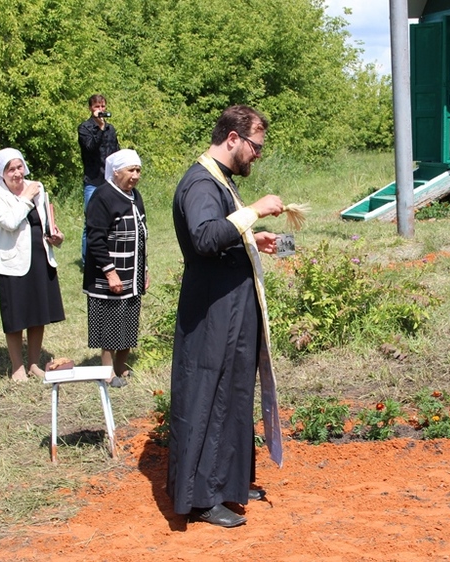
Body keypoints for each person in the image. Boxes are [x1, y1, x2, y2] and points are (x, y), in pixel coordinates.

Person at [166, 105, 286, 528]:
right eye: (255, 146)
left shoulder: (221, 181)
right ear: (232, 138)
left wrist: (251, 238)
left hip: (231, 307)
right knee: (208, 397)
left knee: (232, 394)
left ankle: (228, 481)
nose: (257, 154)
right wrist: (254, 210)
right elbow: (202, 237)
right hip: (212, 313)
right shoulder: (200, 182)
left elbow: (222, 235)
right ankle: (202, 496)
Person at [0, 148, 65, 382]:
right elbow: (9, 222)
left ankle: (33, 363)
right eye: (11, 169)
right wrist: (26, 198)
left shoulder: (37, 188)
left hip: (40, 256)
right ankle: (17, 367)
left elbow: (46, 222)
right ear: (1, 173)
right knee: (16, 316)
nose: (18, 173)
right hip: (14, 261)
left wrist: (56, 237)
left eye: (20, 167)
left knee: (38, 313)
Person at [83, 149, 149, 389]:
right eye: (131, 170)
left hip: (133, 269)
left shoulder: (134, 195)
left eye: (138, 170)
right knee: (110, 320)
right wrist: (110, 272)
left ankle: (122, 367)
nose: (135, 176)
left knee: (129, 318)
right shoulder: (102, 196)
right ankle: (107, 371)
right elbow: (96, 237)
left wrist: (145, 269)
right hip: (109, 272)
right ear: (116, 171)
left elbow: (142, 236)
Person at [77, 94, 120, 262]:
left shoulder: (111, 129)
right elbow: (90, 148)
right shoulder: (85, 128)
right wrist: (100, 129)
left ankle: (107, 256)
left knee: (111, 220)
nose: (100, 110)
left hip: (110, 181)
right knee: (91, 222)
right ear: (90, 108)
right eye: (97, 107)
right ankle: (87, 261)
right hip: (93, 182)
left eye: (102, 106)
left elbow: (115, 151)